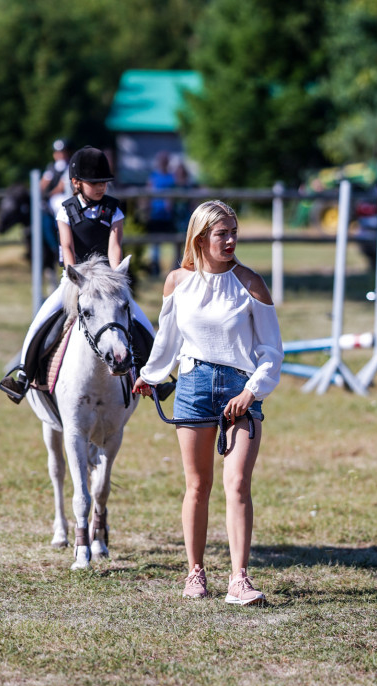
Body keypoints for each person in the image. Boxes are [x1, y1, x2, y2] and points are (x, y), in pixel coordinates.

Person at [133, 200, 283, 605]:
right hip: (193, 385)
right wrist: (149, 377)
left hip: (240, 389)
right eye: (223, 233)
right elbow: (166, 341)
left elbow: (272, 351)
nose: (232, 239)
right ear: (200, 238)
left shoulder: (250, 283)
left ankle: (240, 579)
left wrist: (251, 391)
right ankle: (195, 573)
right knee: (197, 485)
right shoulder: (177, 282)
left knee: (237, 484)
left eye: (234, 231)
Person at [0, 146, 172, 403]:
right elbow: (67, 246)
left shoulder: (114, 209)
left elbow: (115, 246)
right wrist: (75, 278)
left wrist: (114, 277)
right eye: (95, 182)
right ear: (76, 183)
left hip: (106, 280)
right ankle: (25, 374)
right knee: (42, 321)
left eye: (104, 182)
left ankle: (158, 378)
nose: (101, 187)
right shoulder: (65, 210)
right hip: (75, 279)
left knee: (142, 321)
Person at [146, 151, 175, 276]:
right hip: (155, 214)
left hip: (168, 215)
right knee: (155, 244)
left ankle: (175, 266)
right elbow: (147, 194)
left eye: (165, 160)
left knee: (175, 241)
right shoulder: (153, 177)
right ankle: (155, 267)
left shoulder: (172, 177)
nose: (163, 162)